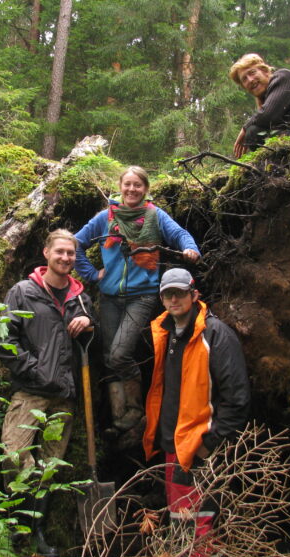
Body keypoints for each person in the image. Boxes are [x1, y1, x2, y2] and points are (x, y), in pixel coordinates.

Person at [74, 166, 200, 447]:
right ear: (120, 187)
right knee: (108, 356)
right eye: (127, 185)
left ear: (146, 189)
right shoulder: (106, 217)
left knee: (119, 354)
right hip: (108, 296)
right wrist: (92, 274)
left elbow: (180, 235)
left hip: (142, 296)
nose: (132, 190)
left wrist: (191, 249)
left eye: (137, 185)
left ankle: (136, 410)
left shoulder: (155, 216)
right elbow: (76, 244)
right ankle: (119, 418)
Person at [143, 268, 251, 557]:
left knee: (200, 512)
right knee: (180, 512)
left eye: (179, 292)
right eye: (168, 294)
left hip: (199, 443)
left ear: (194, 294)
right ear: (161, 297)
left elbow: (237, 397)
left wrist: (209, 443)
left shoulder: (215, 335)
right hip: (172, 440)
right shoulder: (166, 332)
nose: (174, 298)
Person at [0, 229, 94, 557]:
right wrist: (36, 370)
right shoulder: (22, 292)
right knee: (14, 457)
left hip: (64, 398)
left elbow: (93, 344)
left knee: (49, 466)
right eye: (60, 252)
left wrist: (87, 324)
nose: (65, 258)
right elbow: (4, 342)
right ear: (46, 252)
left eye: (70, 253)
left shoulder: (81, 298)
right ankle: (14, 527)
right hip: (30, 393)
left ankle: (37, 531)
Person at [229, 53, 290, 159]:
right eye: (244, 79)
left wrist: (244, 128)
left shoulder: (283, 77)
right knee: (254, 133)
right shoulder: (266, 99)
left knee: (252, 133)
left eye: (252, 72)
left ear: (265, 71)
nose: (250, 80)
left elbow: (268, 114)